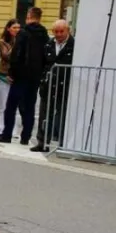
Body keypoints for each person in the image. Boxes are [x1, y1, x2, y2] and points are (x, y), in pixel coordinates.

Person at [0, 7, 50, 145]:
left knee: (11, 106)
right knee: (29, 107)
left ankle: (7, 134)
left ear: (29, 16)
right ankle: (25, 137)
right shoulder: (44, 35)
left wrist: (12, 72)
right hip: (35, 76)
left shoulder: (23, 33)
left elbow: (16, 54)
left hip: (21, 74)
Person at [31, 20, 75, 153]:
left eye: (62, 31)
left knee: (62, 116)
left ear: (68, 31)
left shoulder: (74, 45)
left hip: (65, 87)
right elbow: (42, 64)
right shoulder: (49, 45)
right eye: (56, 31)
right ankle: (42, 142)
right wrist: (42, 80)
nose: (59, 34)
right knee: (45, 115)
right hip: (49, 86)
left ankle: (63, 144)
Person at [0, 19, 20, 141]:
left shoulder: (21, 41)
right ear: (8, 29)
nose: (17, 30)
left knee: (14, 105)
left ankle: (12, 130)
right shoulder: (3, 42)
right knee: (2, 105)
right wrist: (16, 46)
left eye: (18, 28)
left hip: (16, 76)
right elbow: (6, 56)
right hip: (4, 75)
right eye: (14, 28)